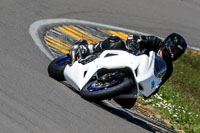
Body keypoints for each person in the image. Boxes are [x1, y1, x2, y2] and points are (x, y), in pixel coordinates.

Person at [69, 33, 187, 98]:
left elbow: (158, 84)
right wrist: (133, 44)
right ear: (167, 43)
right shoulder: (154, 41)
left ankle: (109, 86)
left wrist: (152, 89)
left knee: (129, 103)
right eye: (173, 49)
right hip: (127, 58)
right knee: (116, 41)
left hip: (137, 78)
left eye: (176, 53)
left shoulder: (168, 69)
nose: (172, 53)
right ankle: (88, 49)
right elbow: (133, 37)